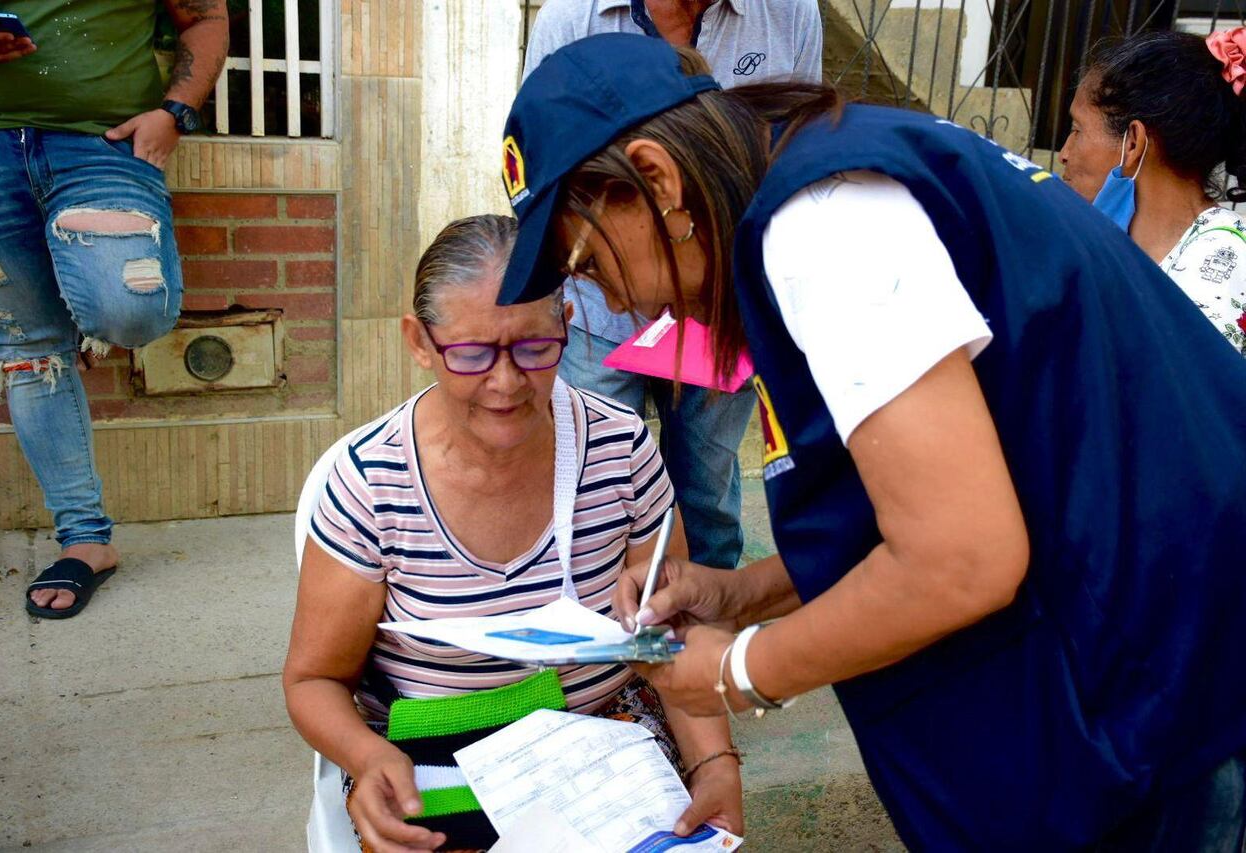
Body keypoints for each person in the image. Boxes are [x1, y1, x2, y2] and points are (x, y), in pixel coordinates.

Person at [496, 33, 1246, 850]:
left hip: (1156, 690)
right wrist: (743, 594)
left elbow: (959, 557)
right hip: (1151, 656)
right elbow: (943, 495)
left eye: (589, 264)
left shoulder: (824, 224)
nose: (623, 305)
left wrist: (737, 672)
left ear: (660, 181)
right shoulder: (835, 173)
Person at [282, 215, 742, 852]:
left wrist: (715, 764)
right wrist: (366, 757)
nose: (506, 382)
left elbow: (669, 636)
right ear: (419, 342)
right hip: (441, 762)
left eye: (533, 348)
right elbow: (313, 681)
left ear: (565, 326)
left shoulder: (620, 447)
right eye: (471, 354)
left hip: (604, 746)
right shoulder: (370, 482)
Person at [522, 0, 823, 569]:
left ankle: (704, 620)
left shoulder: (790, 15)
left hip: (717, 308)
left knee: (705, 489)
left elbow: (788, 161)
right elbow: (546, 187)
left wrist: (730, 650)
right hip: (597, 328)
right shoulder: (568, 22)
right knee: (596, 486)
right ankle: (606, 634)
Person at [0, 0, 228, 617]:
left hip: (102, 142)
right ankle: (85, 541)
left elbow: (205, 17)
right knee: (29, 352)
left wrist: (175, 112)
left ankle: (76, 311)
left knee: (129, 310)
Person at [1060, 28, 1246, 354]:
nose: (1064, 152)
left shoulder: (1222, 262)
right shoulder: (1115, 250)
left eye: (1077, 130)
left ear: (1133, 143)